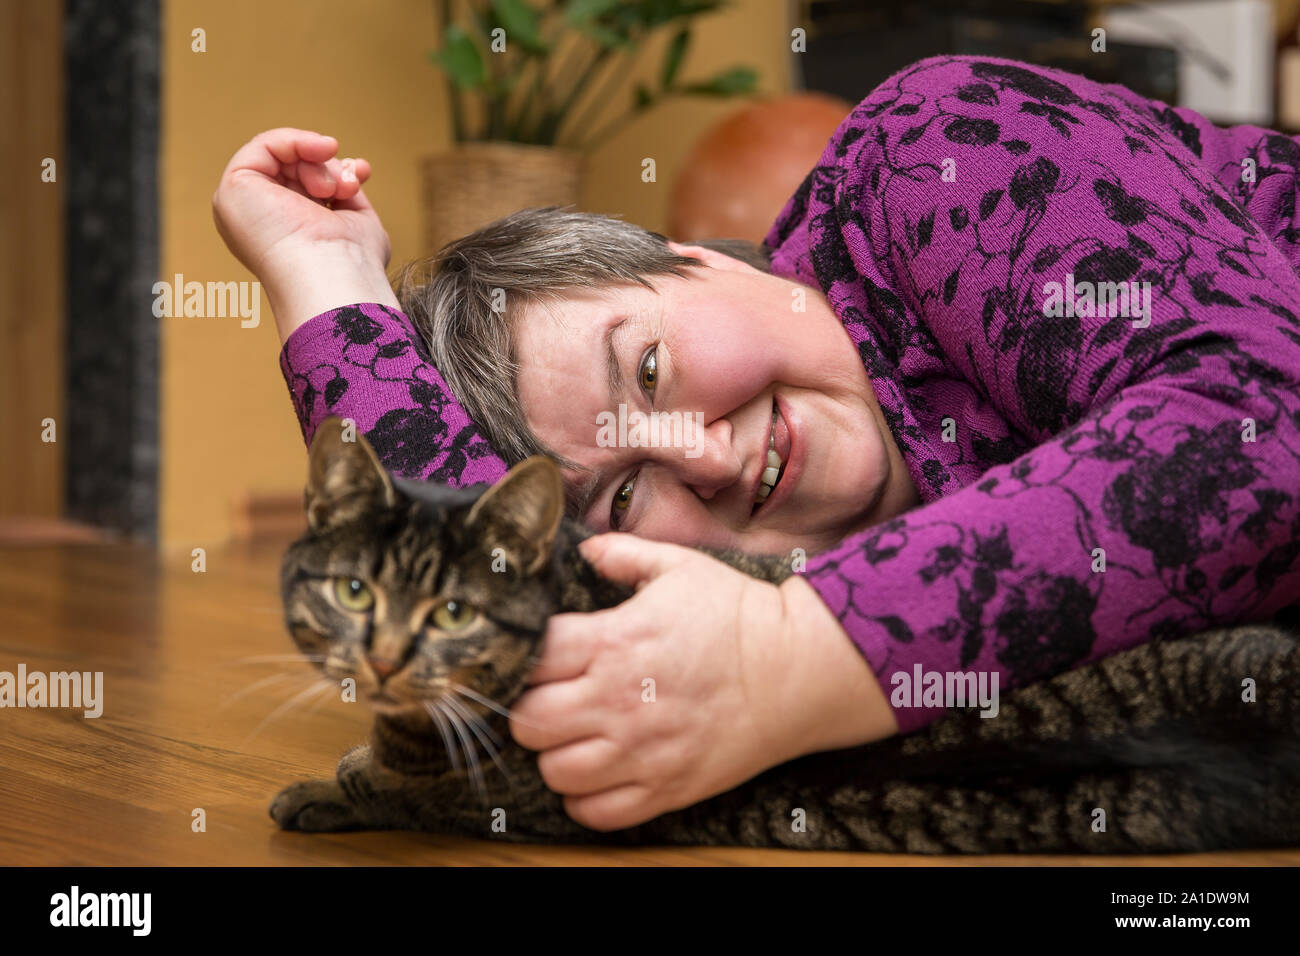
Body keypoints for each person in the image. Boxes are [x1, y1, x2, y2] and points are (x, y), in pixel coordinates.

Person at [213, 55, 1300, 833]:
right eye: (628, 499)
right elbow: (503, 600)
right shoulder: (730, 577)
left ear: (706, 259)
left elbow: (1260, 420)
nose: (703, 456)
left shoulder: (933, 153)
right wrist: (329, 277)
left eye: (646, 369)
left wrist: (783, 649)